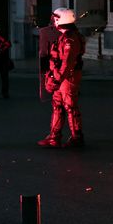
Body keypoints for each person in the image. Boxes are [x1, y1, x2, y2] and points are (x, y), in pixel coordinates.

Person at [38, 8, 87, 148]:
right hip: (61, 77)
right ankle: (54, 137)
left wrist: (56, 80)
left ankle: (77, 138)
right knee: (57, 105)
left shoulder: (70, 39)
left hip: (68, 78)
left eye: (56, 18)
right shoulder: (64, 36)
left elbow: (67, 64)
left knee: (70, 106)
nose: (54, 20)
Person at [38, 14, 59, 97]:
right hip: (58, 56)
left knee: (46, 75)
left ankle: (48, 90)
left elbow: (43, 47)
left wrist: (43, 55)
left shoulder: (43, 31)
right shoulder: (62, 31)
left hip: (48, 57)